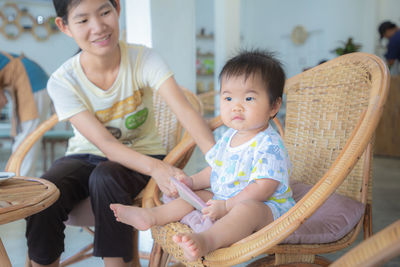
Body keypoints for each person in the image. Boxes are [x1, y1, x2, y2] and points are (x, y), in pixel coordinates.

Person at [25, 0, 215, 266]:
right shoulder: (62, 80)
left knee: (106, 178)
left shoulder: (143, 58)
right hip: (85, 155)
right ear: (64, 26)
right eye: (83, 20)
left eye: (105, 12)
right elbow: (105, 144)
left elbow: (184, 111)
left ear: (117, 9)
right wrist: (158, 169)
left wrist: (218, 159)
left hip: (141, 154)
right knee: (46, 193)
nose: (98, 27)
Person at [111, 50, 296, 262]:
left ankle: (206, 240)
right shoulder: (229, 137)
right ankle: (151, 217)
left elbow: (263, 188)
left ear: (274, 106)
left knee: (248, 209)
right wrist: (191, 181)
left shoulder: (269, 143)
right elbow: (216, 169)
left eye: (249, 98)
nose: (236, 106)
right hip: (225, 201)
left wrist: (227, 206)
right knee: (197, 196)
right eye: (228, 97)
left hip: (268, 209)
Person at [0, 51, 51, 177]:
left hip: (32, 84)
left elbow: (1, 100)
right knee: (24, 139)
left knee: (26, 141)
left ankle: (19, 186)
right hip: (32, 83)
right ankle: (17, 182)